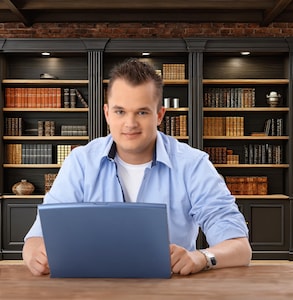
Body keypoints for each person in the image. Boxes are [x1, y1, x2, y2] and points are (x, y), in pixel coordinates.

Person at [23, 58, 252, 276]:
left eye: (142, 112)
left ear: (159, 115)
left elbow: (240, 248)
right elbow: (36, 237)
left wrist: (201, 258)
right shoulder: (81, 162)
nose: (130, 124)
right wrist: (36, 253)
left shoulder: (193, 164)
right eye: (120, 111)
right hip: (92, 290)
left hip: (172, 290)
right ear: (107, 114)